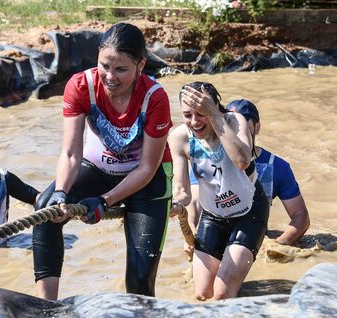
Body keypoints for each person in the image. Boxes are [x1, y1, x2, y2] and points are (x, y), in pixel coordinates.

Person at [32, 23, 173, 301]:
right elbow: (71, 153)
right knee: (45, 210)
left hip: (147, 178)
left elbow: (147, 167)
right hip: (97, 169)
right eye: (104, 66)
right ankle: (45, 306)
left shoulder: (155, 97)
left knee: (140, 279)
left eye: (121, 69)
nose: (110, 77)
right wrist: (61, 192)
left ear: (141, 65)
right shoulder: (81, 86)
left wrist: (105, 201)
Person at [168, 82, 270, 300]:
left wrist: (215, 116)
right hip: (213, 215)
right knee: (204, 294)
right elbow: (183, 190)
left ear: (215, 106)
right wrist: (175, 204)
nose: (195, 121)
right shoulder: (179, 137)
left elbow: (242, 160)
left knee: (222, 294)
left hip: (249, 211)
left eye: (201, 113)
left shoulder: (235, 121)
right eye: (188, 115)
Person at [187, 99, 310, 246]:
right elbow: (194, 202)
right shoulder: (205, 159)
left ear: (257, 127)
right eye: (230, 123)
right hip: (214, 236)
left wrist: (277, 246)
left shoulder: (277, 167)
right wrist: (191, 230)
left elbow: (301, 216)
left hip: (252, 235)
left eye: (242, 123)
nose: (237, 129)